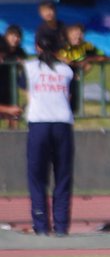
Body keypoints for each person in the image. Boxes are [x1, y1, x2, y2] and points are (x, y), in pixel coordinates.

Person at [22, 29, 73, 236]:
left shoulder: (28, 68)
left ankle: (41, 226)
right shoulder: (67, 70)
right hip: (62, 123)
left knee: (37, 177)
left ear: (37, 47)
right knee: (62, 176)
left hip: (39, 124)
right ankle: (61, 227)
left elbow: (26, 91)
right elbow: (70, 97)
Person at [58, 23, 104, 114]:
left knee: (73, 107)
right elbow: (49, 56)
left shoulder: (87, 46)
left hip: (75, 80)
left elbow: (103, 57)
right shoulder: (60, 46)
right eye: (75, 34)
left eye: (80, 34)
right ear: (67, 35)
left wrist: (88, 60)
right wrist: (63, 59)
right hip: (58, 81)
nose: (78, 37)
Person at [0, 25, 26, 129]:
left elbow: (23, 62)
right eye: (12, 35)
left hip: (10, 87)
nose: (15, 39)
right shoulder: (1, 44)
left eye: (18, 36)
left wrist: (22, 63)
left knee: (13, 114)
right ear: (6, 36)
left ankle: (14, 136)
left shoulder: (20, 52)